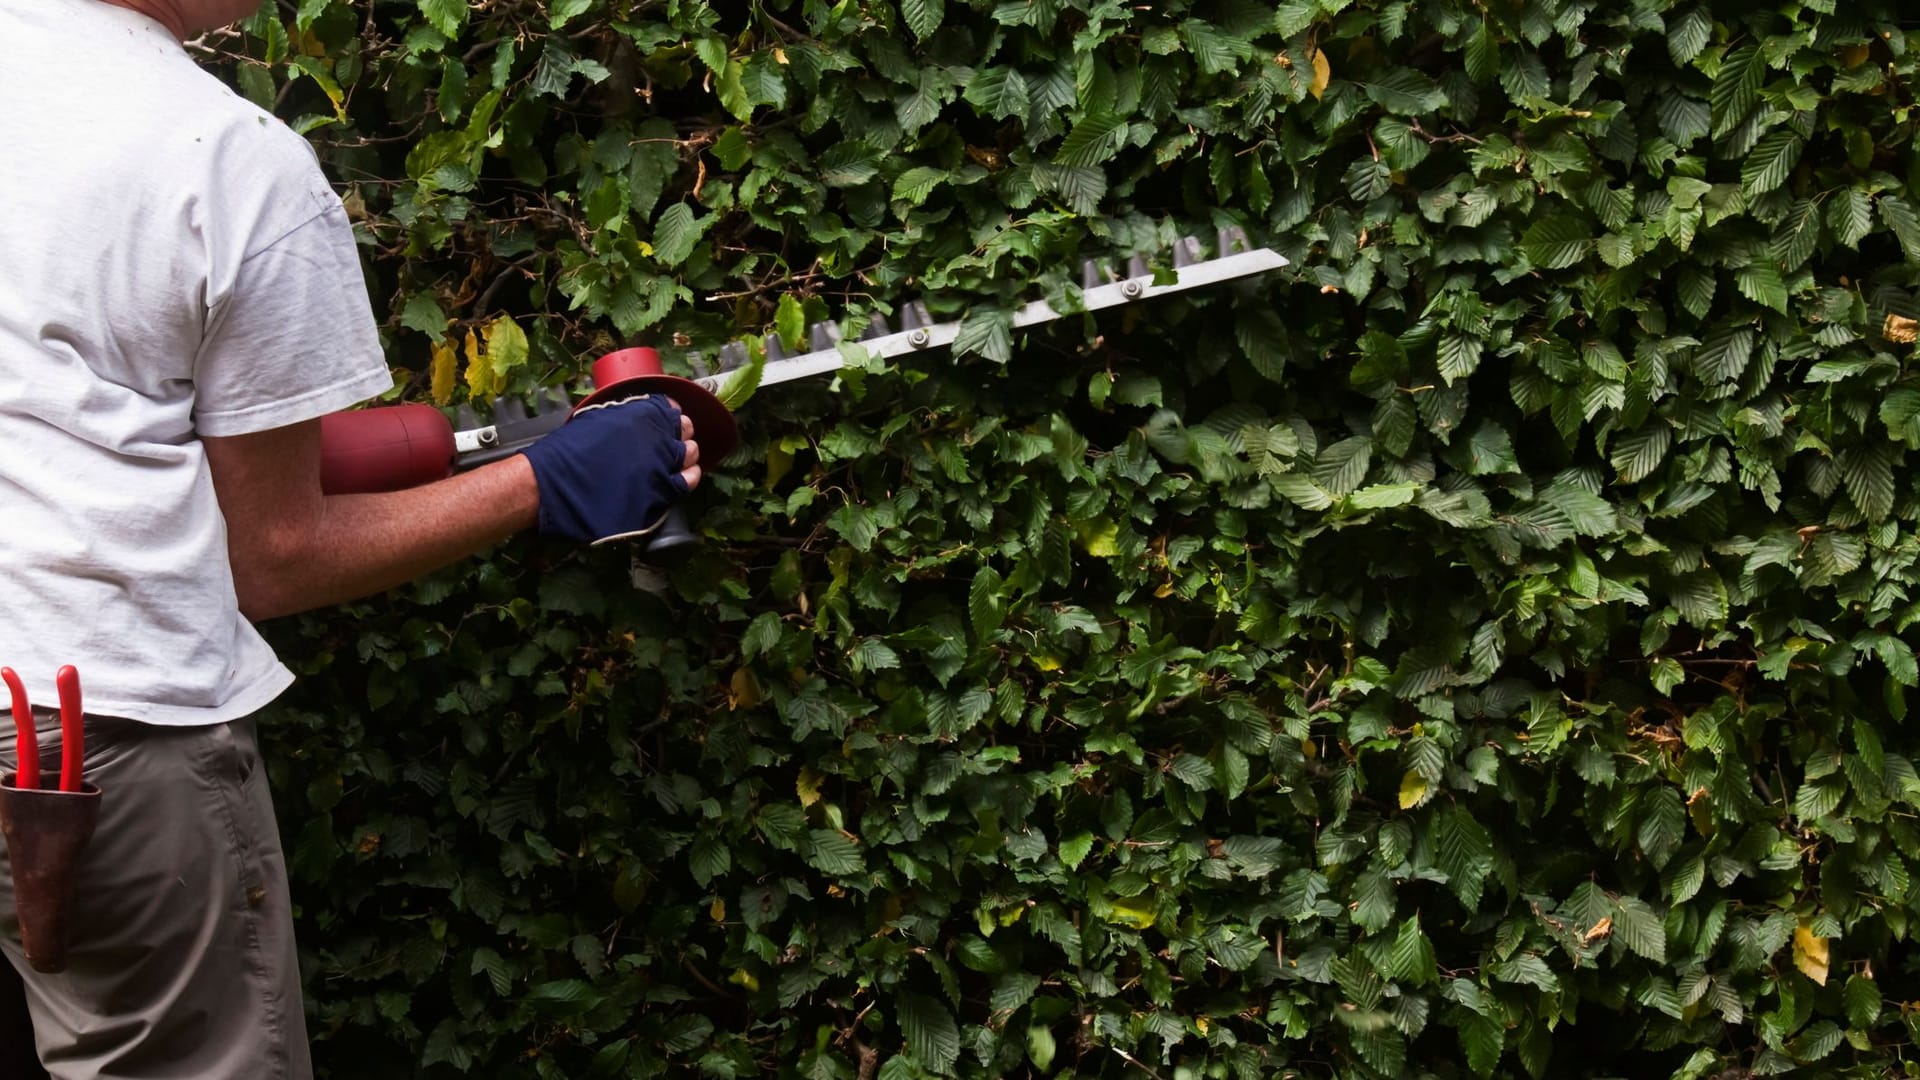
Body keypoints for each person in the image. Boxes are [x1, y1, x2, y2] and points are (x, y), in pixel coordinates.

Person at [0, 0, 703, 1076]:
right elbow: (274, 557)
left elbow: (73, 400)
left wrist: (447, 447)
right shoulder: (232, 161)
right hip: (89, 733)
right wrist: (547, 482)